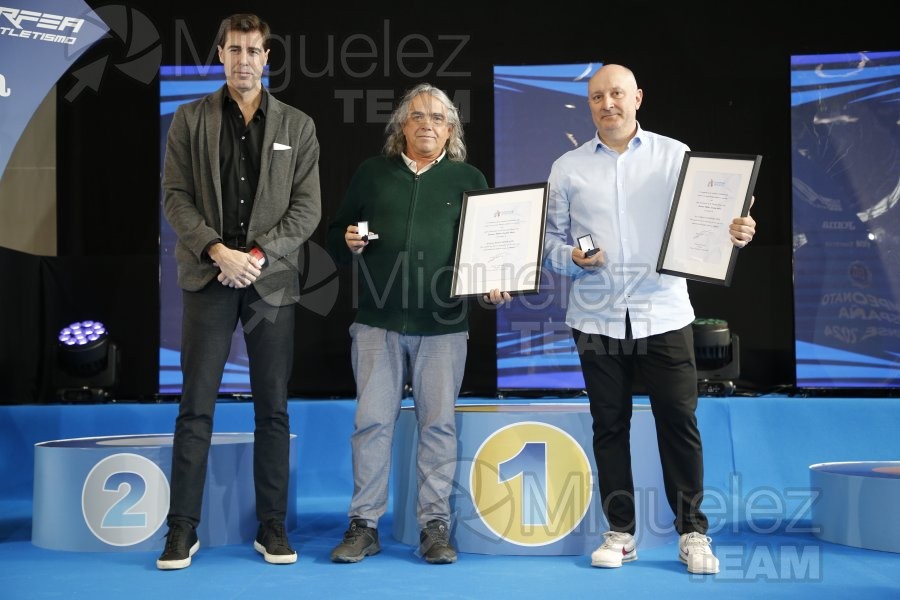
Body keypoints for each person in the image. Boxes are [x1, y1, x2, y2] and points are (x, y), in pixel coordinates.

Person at [543, 64, 756, 575]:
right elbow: (546, 243)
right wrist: (570, 257)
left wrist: (737, 229)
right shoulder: (567, 168)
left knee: (679, 425)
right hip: (596, 317)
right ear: (588, 105)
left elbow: (714, 218)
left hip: (664, 312)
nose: (607, 103)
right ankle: (620, 533)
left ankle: (693, 533)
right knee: (608, 427)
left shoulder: (677, 155)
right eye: (597, 97)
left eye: (617, 93)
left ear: (637, 97)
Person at [157, 13, 321, 570]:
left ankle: (271, 526)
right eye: (234, 50)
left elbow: (307, 210)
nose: (244, 60)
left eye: (254, 50)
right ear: (221, 55)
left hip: (267, 279)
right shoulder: (188, 119)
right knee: (195, 406)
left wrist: (253, 256)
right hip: (208, 276)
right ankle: (181, 529)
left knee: (272, 408)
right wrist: (215, 251)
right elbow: (175, 197)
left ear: (267, 58)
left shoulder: (298, 126)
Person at [325, 83, 510, 565]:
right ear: (401, 127)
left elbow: (491, 248)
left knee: (439, 427)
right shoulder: (372, 174)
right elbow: (334, 233)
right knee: (371, 424)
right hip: (376, 324)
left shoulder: (469, 178)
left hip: (444, 325)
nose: (427, 123)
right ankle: (364, 525)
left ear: (451, 130)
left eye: (437, 117)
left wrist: (496, 280)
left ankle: (434, 526)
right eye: (417, 116)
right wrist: (346, 240)